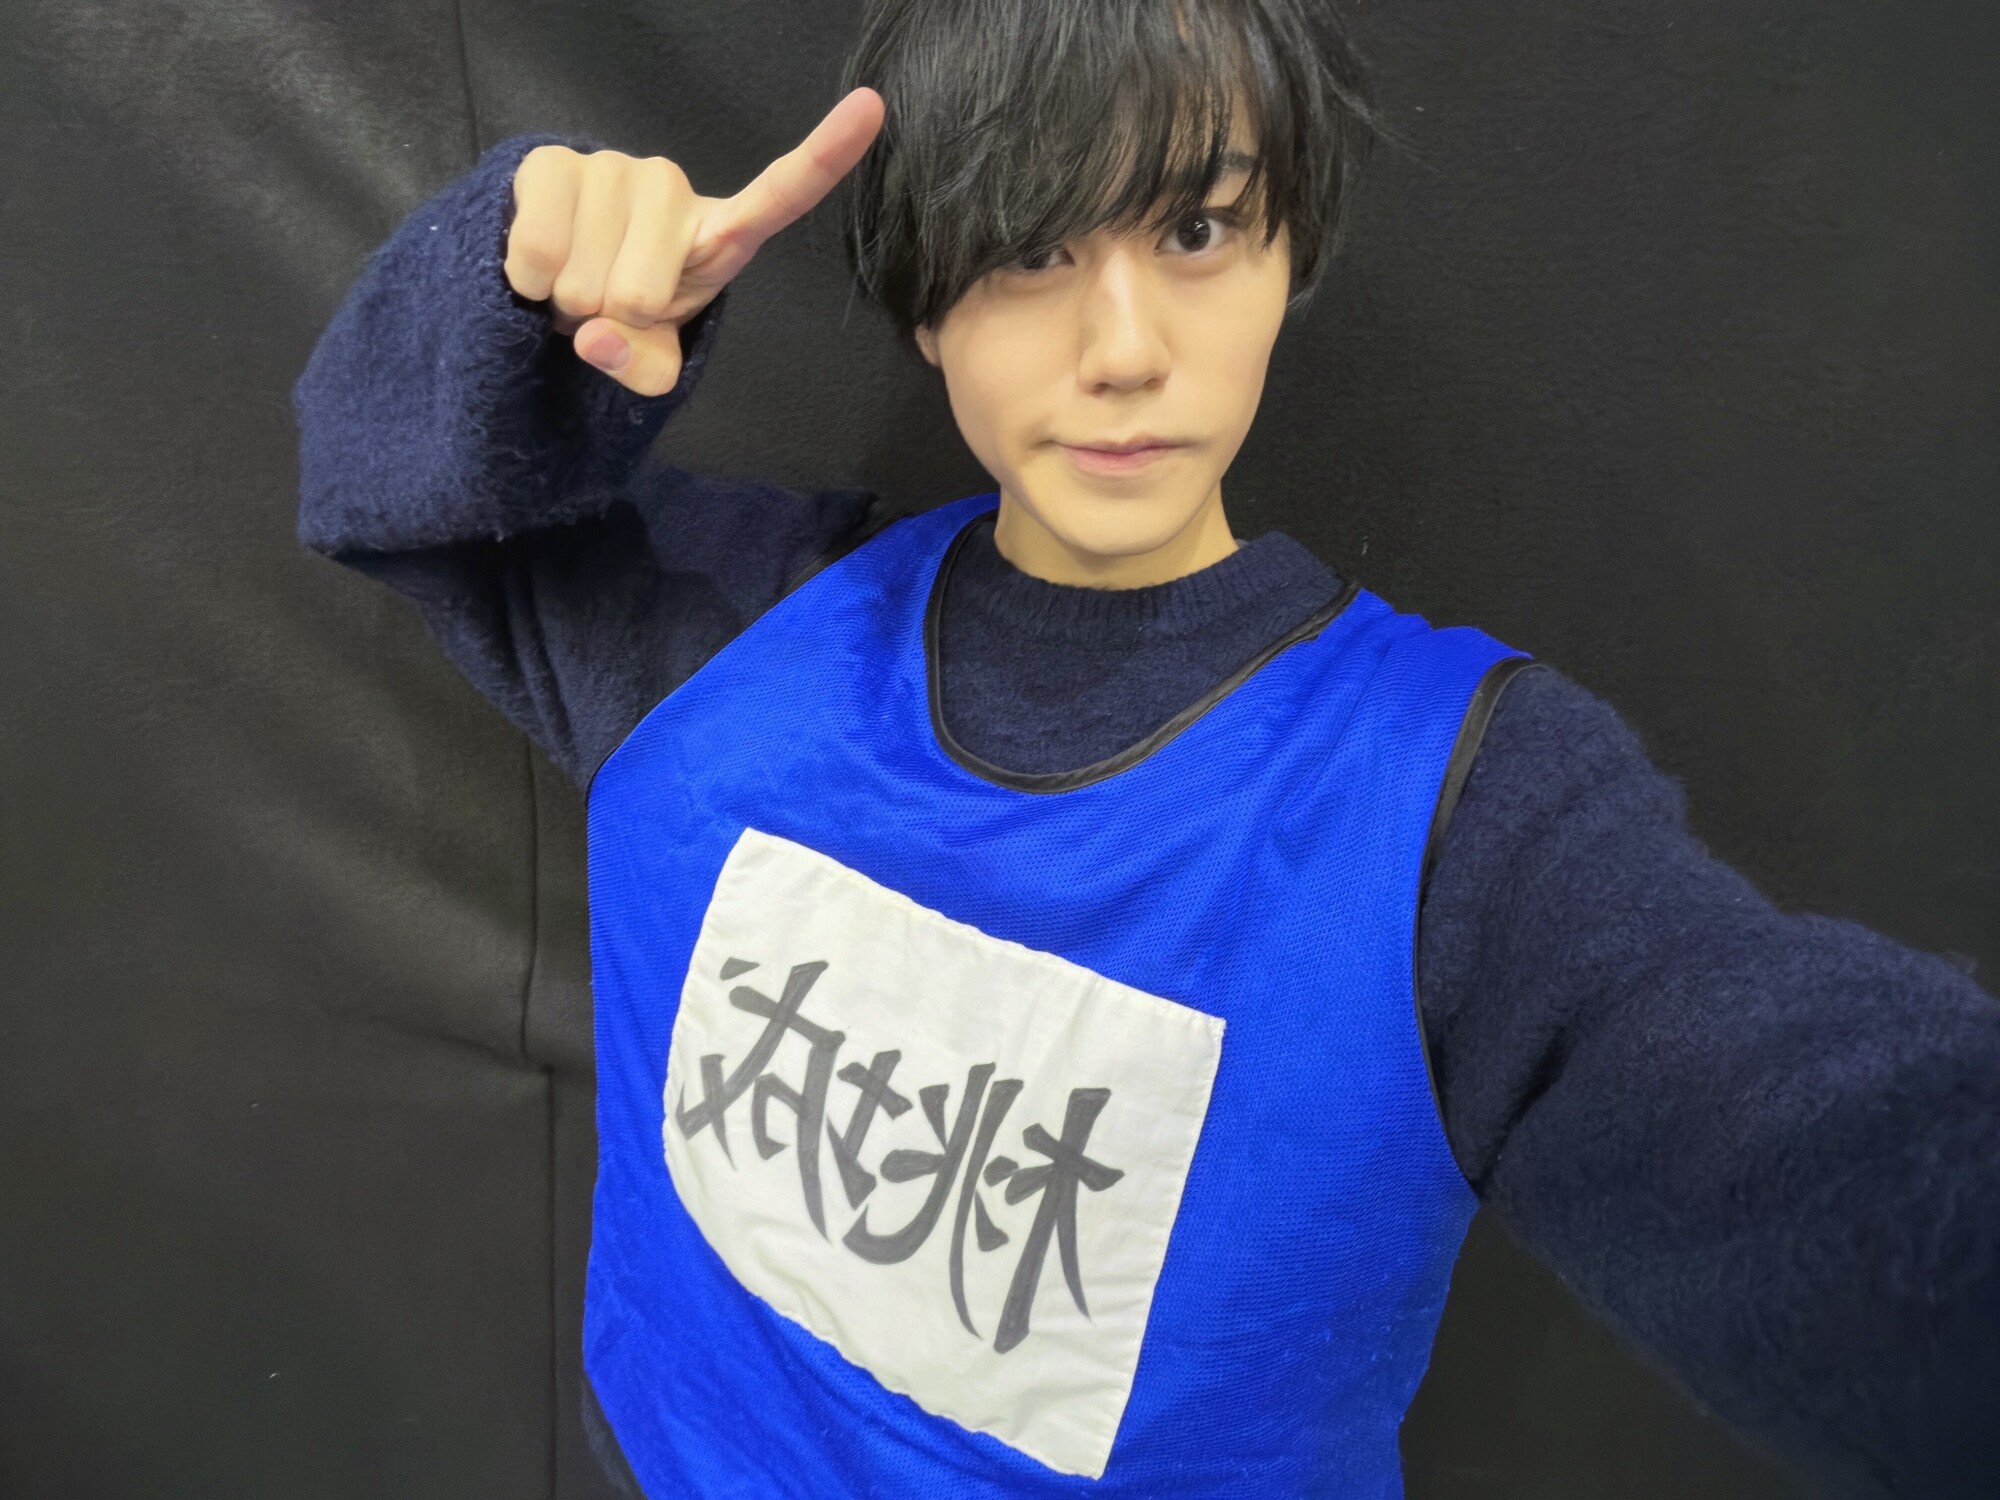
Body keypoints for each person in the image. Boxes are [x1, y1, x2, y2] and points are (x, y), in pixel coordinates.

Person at [291, 0, 1998, 1495]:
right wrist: (514, 278)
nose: (1124, 350)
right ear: (924, 304)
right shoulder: (725, 633)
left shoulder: (1459, 820)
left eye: (1196, 228)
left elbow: (1820, 1144)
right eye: (1032, 248)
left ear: (1287, 257)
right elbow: (386, 490)